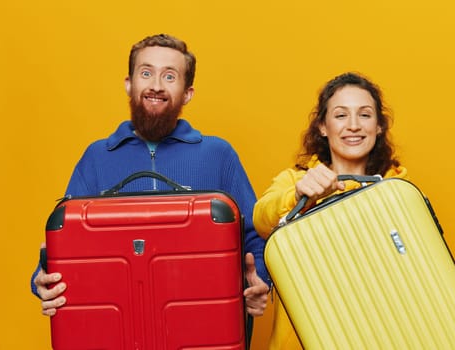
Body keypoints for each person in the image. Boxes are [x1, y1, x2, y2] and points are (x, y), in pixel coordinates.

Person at [31, 34, 269, 322]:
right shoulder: (96, 157)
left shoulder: (218, 154)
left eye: (170, 76)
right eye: (146, 73)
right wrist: (41, 280)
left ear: (187, 92)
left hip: (203, 324)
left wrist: (260, 283)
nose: (156, 85)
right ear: (129, 85)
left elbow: (256, 235)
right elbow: (64, 241)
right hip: (117, 328)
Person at [253, 72, 407, 349]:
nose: (353, 126)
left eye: (364, 115)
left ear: (379, 126)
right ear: (323, 126)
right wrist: (300, 195)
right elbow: (262, 219)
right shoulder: (294, 181)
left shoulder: (399, 191)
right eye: (340, 115)